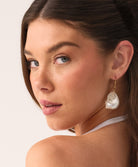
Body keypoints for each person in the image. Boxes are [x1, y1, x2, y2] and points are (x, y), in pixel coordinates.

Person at [21, 0, 138, 167]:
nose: (40, 82)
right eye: (33, 62)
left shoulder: (53, 156)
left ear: (118, 60)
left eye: (62, 59)